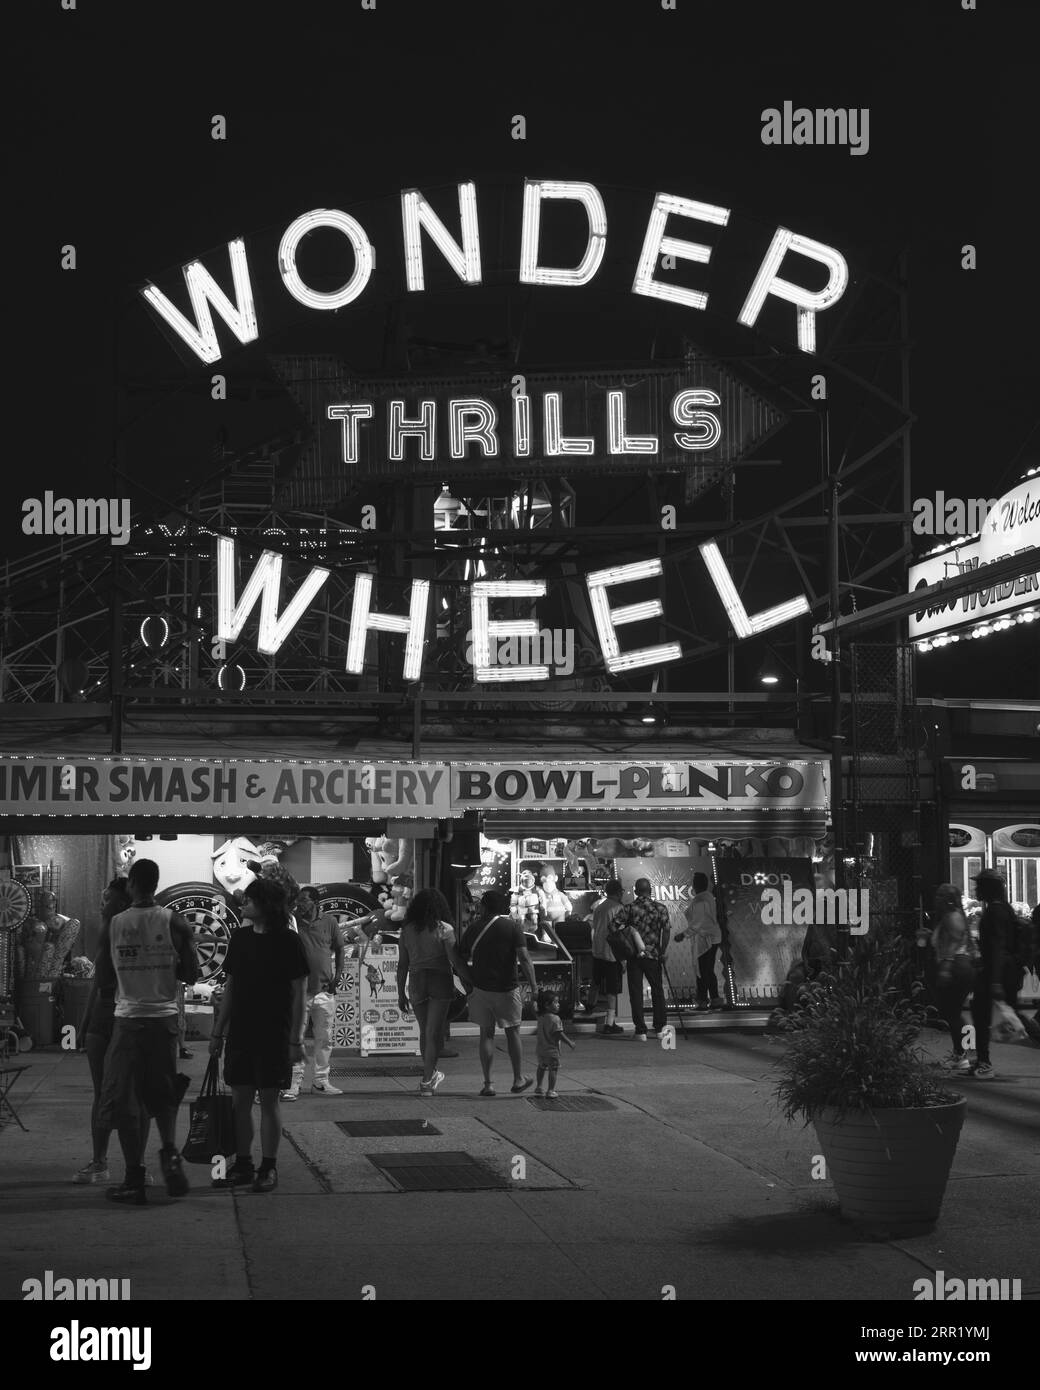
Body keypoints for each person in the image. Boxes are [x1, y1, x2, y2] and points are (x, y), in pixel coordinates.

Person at [97, 859, 199, 1204]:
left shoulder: (114, 924)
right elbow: (192, 974)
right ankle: (169, 1151)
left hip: (128, 1020)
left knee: (126, 1100)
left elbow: (103, 980)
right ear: (155, 884)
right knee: (163, 1091)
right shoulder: (175, 922)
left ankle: (134, 1178)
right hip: (164, 1020)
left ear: (131, 886)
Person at [209, 878, 309, 1191]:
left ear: (265, 904)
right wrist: (217, 1032)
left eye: (249, 900)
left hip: (274, 1033)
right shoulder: (240, 938)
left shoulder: (289, 941)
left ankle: (268, 1166)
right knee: (240, 1102)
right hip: (241, 1031)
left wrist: (295, 1039)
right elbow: (231, 987)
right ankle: (243, 1163)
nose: (242, 904)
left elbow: (299, 993)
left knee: (268, 1100)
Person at [73, 878, 155, 1186]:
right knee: (102, 1094)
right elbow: (97, 982)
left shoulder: (138, 930)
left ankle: (140, 1165)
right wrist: (83, 1024)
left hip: (132, 1017)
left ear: (123, 902)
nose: (101, 903)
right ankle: (99, 1161)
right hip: (102, 1019)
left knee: (136, 1095)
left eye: (107, 899)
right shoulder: (105, 933)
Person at [459, 889, 537, 1097]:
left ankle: (488, 1084)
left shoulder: (474, 929)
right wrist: (534, 987)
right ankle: (518, 1078)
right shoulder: (512, 927)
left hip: (481, 988)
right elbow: (525, 958)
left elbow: (459, 957)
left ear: (483, 906)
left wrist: (468, 982)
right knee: (513, 1033)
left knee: (486, 1034)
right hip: (507, 988)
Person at [396, 888, 467, 1095]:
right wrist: (468, 981)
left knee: (424, 1031)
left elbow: (402, 965)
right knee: (433, 1032)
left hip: (417, 979)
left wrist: (401, 993)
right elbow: (454, 961)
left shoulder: (407, 930)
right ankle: (427, 1080)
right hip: (439, 979)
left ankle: (430, 1074)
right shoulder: (444, 929)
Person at [281, 886, 345, 1100]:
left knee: (324, 1038)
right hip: (298, 992)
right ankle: (293, 1083)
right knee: (296, 1038)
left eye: (305, 900)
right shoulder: (292, 921)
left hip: (325, 990)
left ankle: (320, 1081)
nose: (301, 904)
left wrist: (338, 976)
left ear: (316, 902)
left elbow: (339, 948)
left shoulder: (329, 922)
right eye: (299, 900)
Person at [968, 867, 1014, 1079]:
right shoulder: (1001, 909)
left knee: (985, 1016)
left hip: (994, 974)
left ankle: (984, 1062)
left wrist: (994, 981)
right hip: (998, 973)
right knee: (990, 1015)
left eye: (979, 884)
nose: (976, 888)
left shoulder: (995, 911)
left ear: (989, 888)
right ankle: (982, 1060)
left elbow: (997, 946)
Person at [617, 878, 671, 1041]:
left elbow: (613, 926)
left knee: (636, 992)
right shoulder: (660, 908)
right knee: (657, 990)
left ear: (635, 891)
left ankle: (641, 1030)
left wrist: (626, 938)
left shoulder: (629, 908)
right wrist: (662, 950)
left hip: (634, 955)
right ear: (651, 890)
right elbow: (667, 930)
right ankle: (660, 1028)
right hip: (653, 954)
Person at [930, 884, 976, 1075]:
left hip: (956, 966)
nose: (937, 899)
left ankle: (963, 1055)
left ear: (948, 899)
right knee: (954, 1012)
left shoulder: (952, 916)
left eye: (941, 896)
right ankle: (964, 1053)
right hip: (959, 966)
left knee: (953, 1012)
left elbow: (954, 943)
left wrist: (946, 968)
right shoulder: (952, 916)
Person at [675, 871, 723, 1010]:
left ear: (695, 885)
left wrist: (683, 935)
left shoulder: (701, 900)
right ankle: (715, 999)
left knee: (702, 970)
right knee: (708, 969)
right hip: (710, 937)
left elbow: (697, 923)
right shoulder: (707, 898)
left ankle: (702, 1001)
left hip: (705, 939)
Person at [590, 880, 626, 1035]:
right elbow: (621, 934)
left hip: (598, 951)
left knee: (596, 981)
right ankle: (610, 1023)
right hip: (612, 953)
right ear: (618, 892)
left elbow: (594, 928)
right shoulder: (618, 908)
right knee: (612, 989)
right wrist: (624, 958)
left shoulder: (599, 908)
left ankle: (589, 1007)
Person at [533, 990, 575, 1098]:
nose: (558, 1004)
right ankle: (551, 1090)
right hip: (552, 1050)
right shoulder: (555, 1019)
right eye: (555, 1002)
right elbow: (559, 1034)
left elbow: (535, 1007)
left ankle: (539, 1086)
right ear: (547, 1005)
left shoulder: (541, 1017)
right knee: (553, 1069)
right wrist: (569, 1042)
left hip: (541, 1049)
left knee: (541, 1067)